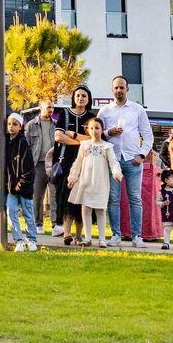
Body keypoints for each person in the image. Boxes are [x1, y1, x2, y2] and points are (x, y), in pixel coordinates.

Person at [98, 76, 153, 245]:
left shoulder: (137, 109)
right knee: (113, 198)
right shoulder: (105, 111)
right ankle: (116, 235)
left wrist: (141, 155)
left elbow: (148, 135)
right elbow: (97, 133)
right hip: (113, 160)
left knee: (135, 198)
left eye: (122, 87)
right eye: (116, 87)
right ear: (112, 90)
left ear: (127, 89)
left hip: (133, 160)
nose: (119, 90)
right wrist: (108, 133)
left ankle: (137, 236)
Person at [68, 116, 121, 247]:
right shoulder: (84, 145)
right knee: (86, 208)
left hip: (100, 182)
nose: (94, 131)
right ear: (87, 130)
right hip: (86, 181)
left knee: (101, 210)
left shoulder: (107, 146)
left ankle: (102, 239)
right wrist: (73, 177)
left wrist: (116, 173)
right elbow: (78, 162)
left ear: (102, 129)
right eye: (91, 128)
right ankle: (87, 237)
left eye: (97, 128)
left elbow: (113, 162)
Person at [52, 85, 97, 235]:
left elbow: (93, 138)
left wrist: (73, 135)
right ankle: (66, 232)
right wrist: (81, 142)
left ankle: (79, 234)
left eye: (84, 96)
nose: (80, 98)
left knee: (83, 196)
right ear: (73, 98)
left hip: (86, 161)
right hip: (66, 160)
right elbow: (58, 136)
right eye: (78, 95)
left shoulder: (91, 117)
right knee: (66, 195)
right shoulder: (64, 114)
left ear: (88, 99)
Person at [3, 113, 39, 251]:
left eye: (14, 124)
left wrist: (21, 184)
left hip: (24, 187)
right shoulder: (5, 142)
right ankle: (19, 240)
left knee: (28, 214)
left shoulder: (23, 143)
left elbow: (28, 168)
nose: (11, 127)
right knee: (11, 211)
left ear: (20, 126)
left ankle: (32, 239)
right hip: (11, 187)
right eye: (9, 124)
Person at [24, 100, 60, 235]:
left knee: (55, 195)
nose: (51, 110)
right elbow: (26, 146)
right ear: (41, 107)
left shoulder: (56, 125)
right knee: (37, 196)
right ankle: (38, 224)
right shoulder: (31, 125)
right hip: (37, 164)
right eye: (48, 107)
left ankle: (55, 225)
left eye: (52, 107)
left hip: (53, 164)